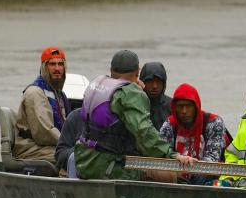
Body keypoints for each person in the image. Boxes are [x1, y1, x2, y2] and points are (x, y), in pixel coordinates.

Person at [74, 50, 195, 180]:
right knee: (167, 175)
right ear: (138, 72)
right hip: (107, 165)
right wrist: (173, 155)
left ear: (111, 70)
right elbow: (144, 132)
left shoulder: (97, 83)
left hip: (83, 159)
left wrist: (134, 87)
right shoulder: (130, 93)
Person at [159, 83, 230, 185]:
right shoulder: (170, 124)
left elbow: (212, 159)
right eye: (180, 106)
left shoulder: (214, 122)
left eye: (188, 106)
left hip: (207, 174)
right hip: (178, 174)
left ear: (196, 106)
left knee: (205, 173)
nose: (184, 111)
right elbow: (162, 153)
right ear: (174, 108)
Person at [13, 46, 70, 163]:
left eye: (60, 64)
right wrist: (70, 144)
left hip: (48, 146)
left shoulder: (59, 94)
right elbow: (44, 133)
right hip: (30, 148)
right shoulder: (35, 93)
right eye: (52, 64)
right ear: (44, 67)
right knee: (71, 157)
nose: (57, 68)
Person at [140, 61, 172, 130]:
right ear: (142, 82)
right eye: (150, 81)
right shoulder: (134, 105)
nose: (154, 86)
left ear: (164, 84)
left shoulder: (172, 107)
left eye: (158, 81)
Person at [55, 108, 85, 178]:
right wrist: (80, 150)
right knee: (73, 157)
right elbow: (60, 153)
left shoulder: (115, 119)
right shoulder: (75, 117)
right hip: (79, 177)